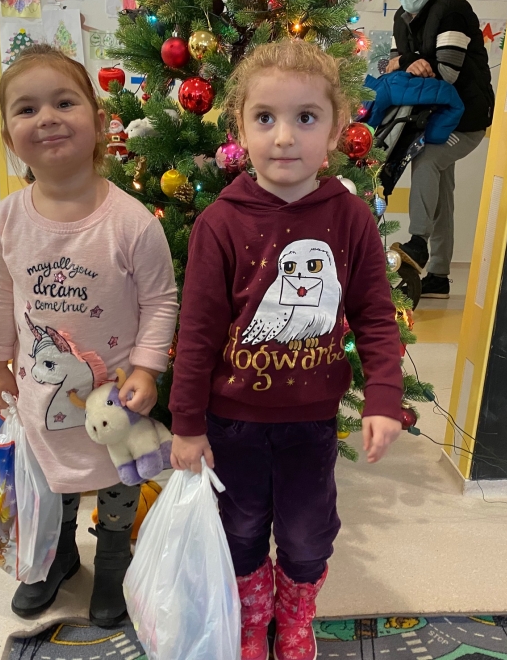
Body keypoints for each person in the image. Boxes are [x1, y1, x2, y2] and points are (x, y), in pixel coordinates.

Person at [169, 39, 404, 660]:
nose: (283, 137)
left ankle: (295, 615)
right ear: (239, 127)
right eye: (265, 117)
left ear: (335, 129)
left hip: (310, 424)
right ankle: (251, 617)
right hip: (233, 424)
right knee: (240, 529)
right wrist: (187, 424)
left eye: (305, 117)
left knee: (307, 536)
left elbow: (375, 316)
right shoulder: (219, 223)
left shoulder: (351, 218)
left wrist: (384, 397)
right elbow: (196, 333)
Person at [0, 44, 178, 623]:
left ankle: (113, 560)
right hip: (39, 390)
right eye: (26, 109)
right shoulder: (7, 220)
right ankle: (58, 553)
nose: (46, 118)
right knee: (50, 474)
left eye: (64, 102)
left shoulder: (131, 222)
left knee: (117, 476)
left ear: (100, 121)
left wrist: (148, 368)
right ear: (9, 135)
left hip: (115, 392)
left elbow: (160, 300)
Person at [388, 0, 495, 298]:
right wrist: (408, 61)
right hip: (438, 118)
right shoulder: (401, 16)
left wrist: (408, 61)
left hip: (466, 120)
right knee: (441, 190)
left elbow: (446, 73)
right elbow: (393, 66)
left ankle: (418, 242)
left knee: (428, 160)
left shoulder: (452, 10)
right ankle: (438, 275)